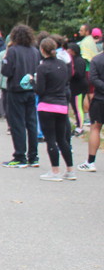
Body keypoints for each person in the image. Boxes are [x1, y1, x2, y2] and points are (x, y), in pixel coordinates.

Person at [34, 37, 76, 181]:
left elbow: (40, 90)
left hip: (47, 106)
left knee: (50, 139)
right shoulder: (63, 65)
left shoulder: (42, 67)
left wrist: (32, 82)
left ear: (42, 50)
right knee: (62, 139)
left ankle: (55, 171)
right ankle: (70, 170)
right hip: (62, 105)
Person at [1, 23, 41, 168]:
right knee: (31, 123)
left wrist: (5, 58)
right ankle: (33, 156)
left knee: (17, 124)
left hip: (16, 90)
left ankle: (20, 156)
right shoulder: (35, 51)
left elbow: (6, 71)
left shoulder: (13, 51)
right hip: (31, 89)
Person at [78, 44, 104, 172]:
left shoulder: (96, 60)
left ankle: (90, 161)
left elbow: (93, 79)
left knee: (95, 128)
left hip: (100, 99)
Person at [67, 43, 89, 133]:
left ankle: (80, 127)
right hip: (74, 87)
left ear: (73, 51)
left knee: (78, 106)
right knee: (75, 107)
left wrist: (70, 72)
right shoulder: (72, 60)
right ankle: (78, 123)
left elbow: (79, 74)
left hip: (79, 87)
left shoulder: (79, 61)